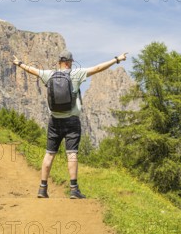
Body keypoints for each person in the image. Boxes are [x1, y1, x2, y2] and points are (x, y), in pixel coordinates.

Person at [12, 49, 128, 199]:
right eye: (71, 63)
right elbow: (98, 68)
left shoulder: (49, 74)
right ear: (68, 62)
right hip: (72, 121)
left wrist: (19, 63)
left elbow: (34, 70)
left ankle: (42, 188)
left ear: (59, 62)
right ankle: (74, 190)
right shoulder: (76, 74)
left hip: (54, 121)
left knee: (49, 154)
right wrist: (117, 59)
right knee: (72, 154)